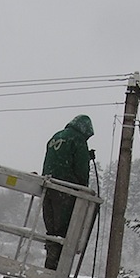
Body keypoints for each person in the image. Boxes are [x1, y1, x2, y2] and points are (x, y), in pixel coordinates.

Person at [41, 114, 95, 270]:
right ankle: (58, 265)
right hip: (66, 190)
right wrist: (83, 187)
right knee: (64, 228)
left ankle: (50, 261)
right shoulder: (78, 140)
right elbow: (81, 169)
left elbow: (54, 159)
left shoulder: (56, 136)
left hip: (49, 186)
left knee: (51, 227)